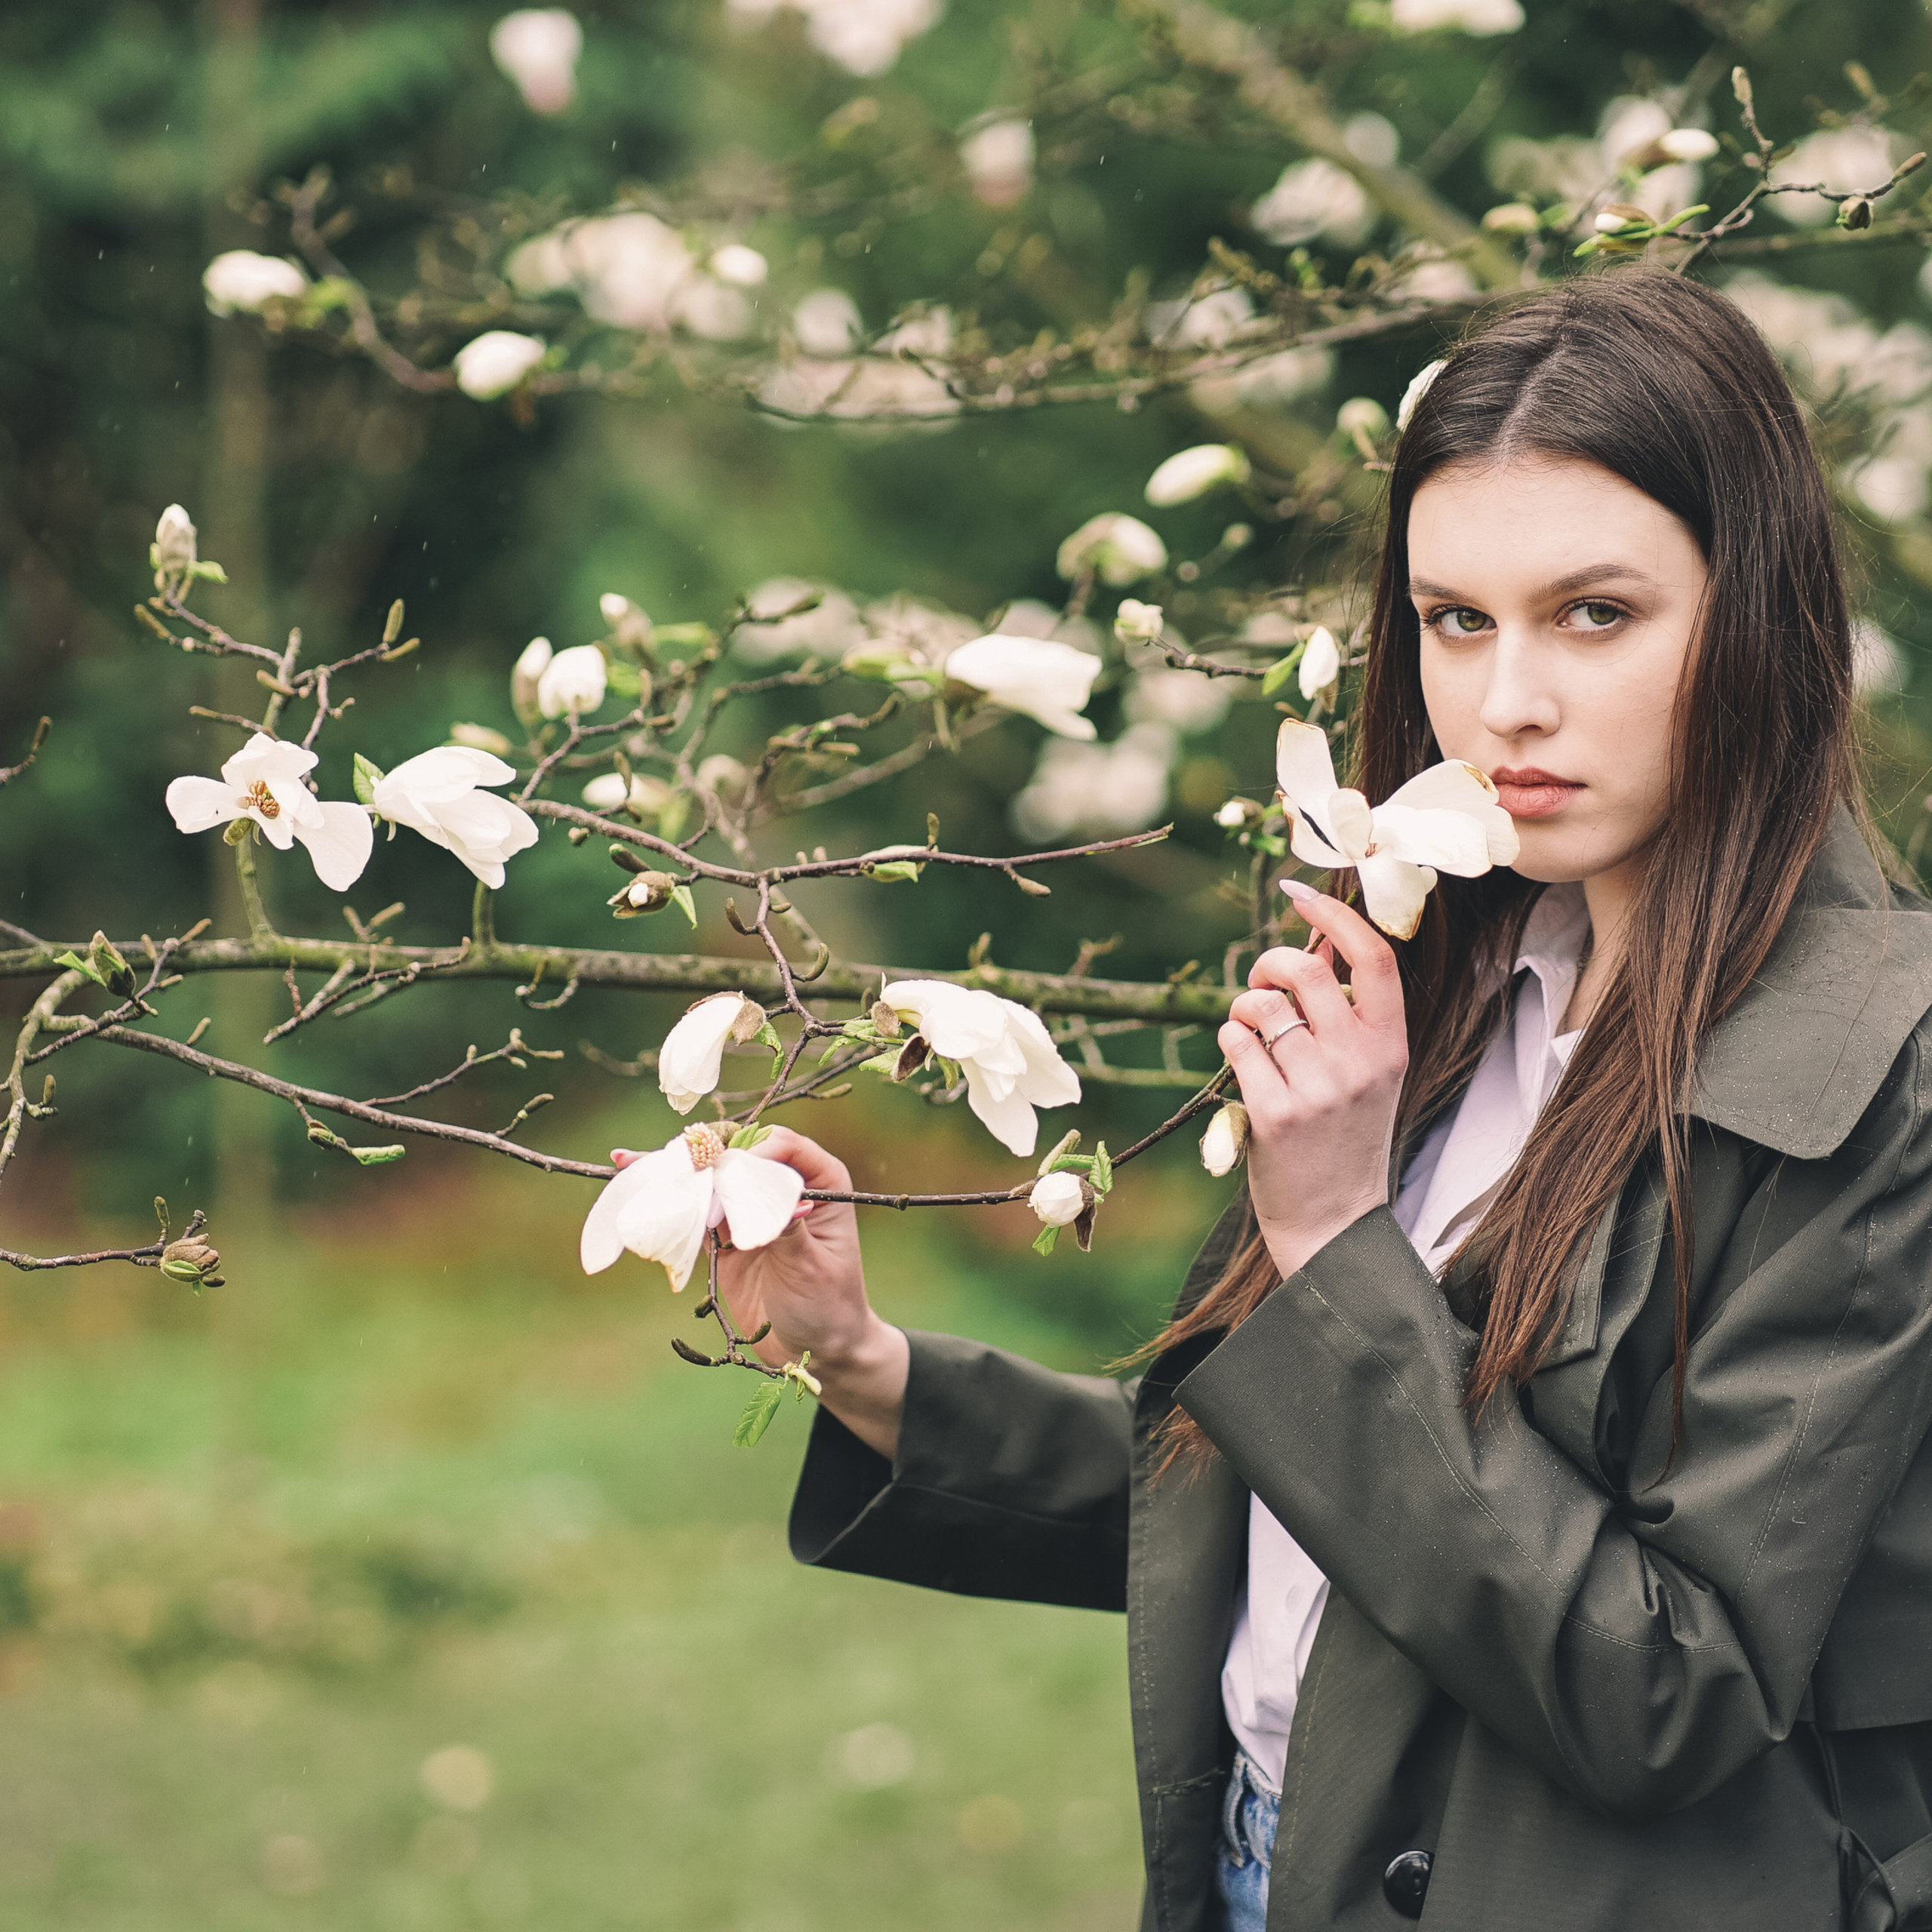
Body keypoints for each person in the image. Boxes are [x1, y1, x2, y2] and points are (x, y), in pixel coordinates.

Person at [692, 272, 1932, 1930]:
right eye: (1453, 619)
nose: (1505, 707)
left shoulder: (1875, 1069)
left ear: (1755, 609)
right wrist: (867, 1367)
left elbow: (1666, 1684)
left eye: (1593, 613)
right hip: (1269, 1865)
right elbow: (1300, 1486)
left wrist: (1338, 1232)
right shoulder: (1451, 985)